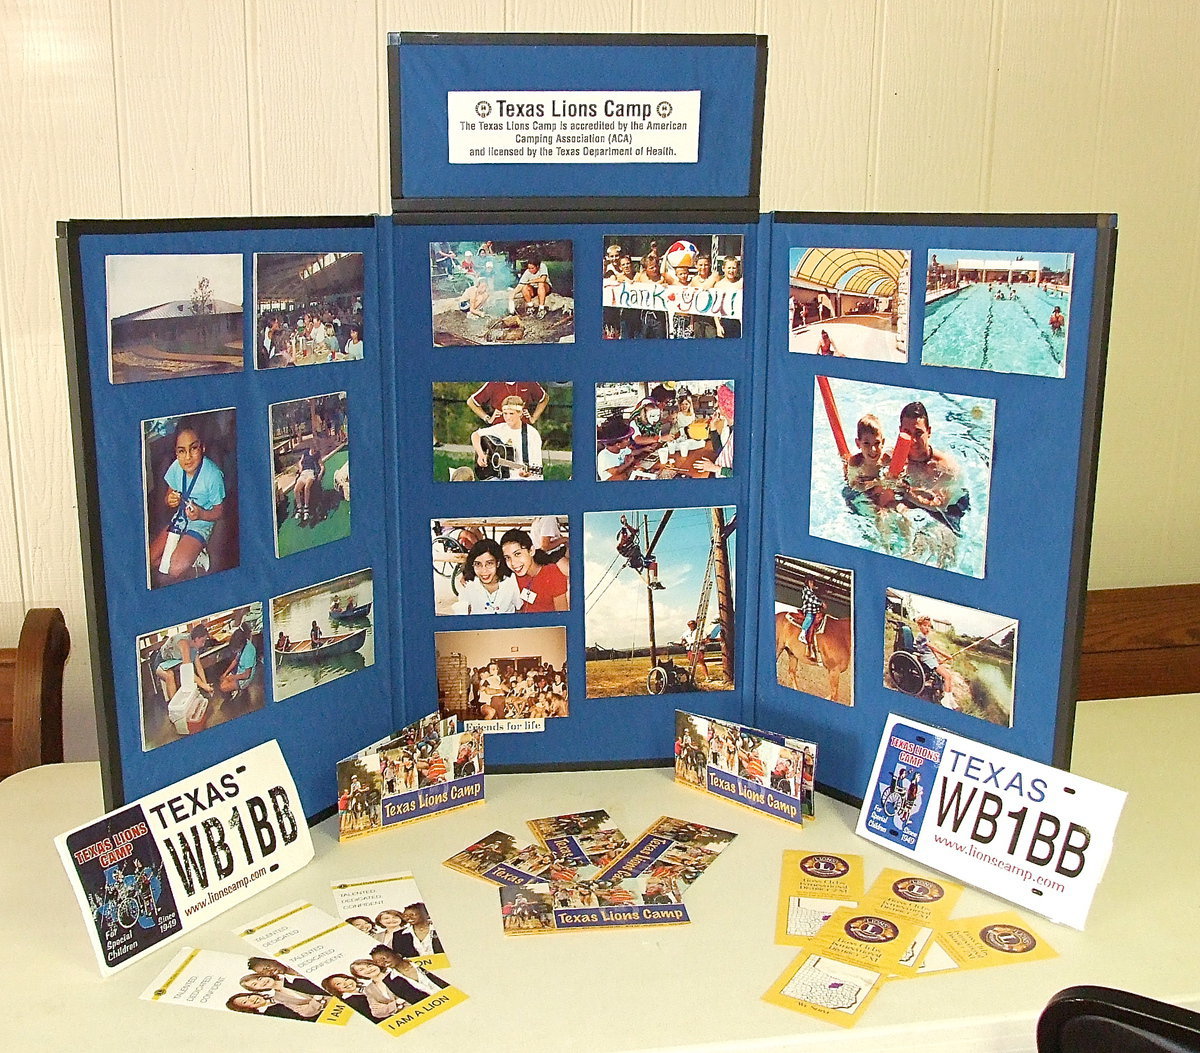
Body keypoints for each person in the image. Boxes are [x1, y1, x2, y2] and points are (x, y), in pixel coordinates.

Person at [148, 418, 227, 584]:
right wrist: (170, 500)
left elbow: (220, 511)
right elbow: (169, 496)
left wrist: (201, 514)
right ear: (176, 453)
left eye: (193, 448)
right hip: (179, 520)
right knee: (149, 560)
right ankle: (185, 553)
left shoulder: (213, 475)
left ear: (202, 447)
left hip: (201, 524)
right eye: (182, 451)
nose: (188, 457)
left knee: (174, 570)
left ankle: (198, 556)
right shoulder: (176, 467)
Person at [885, 401, 970, 534]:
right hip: (913, 507)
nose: (913, 440)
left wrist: (907, 492)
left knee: (933, 536)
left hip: (947, 513)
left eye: (918, 433)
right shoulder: (891, 458)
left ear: (928, 432)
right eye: (907, 432)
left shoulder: (945, 467)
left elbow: (940, 505)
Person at [470, 395, 543, 479]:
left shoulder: (532, 434)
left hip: (521, 479)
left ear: (520, 413)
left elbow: (536, 466)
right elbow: (475, 435)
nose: (508, 417)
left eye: (511, 413)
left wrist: (527, 474)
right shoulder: (501, 428)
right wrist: (481, 454)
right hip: (499, 477)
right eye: (505, 413)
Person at [500, 528, 568, 611]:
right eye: (507, 557)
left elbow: (561, 613)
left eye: (517, 554)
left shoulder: (552, 574)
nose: (513, 563)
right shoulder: (512, 577)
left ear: (531, 551)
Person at [452, 537, 522, 614]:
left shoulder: (511, 582)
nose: (484, 571)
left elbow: (520, 609)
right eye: (478, 564)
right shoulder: (469, 584)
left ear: (497, 563)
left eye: (489, 563)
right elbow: (463, 612)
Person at [152, 622, 215, 700]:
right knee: (169, 675)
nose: (203, 644)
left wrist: (206, 685)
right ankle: (174, 704)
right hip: (161, 661)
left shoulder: (194, 647)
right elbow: (187, 670)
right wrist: (203, 686)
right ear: (196, 638)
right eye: (202, 641)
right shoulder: (183, 642)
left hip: (175, 662)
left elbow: (199, 668)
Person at [913, 615, 959, 709]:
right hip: (926, 658)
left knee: (949, 676)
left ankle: (950, 699)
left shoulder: (926, 636)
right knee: (946, 676)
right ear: (920, 626)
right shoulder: (920, 636)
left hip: (930, 657)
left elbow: (931, 650)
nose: (927, 628)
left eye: (929, 626)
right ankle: (945, 700)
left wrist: (938, 658)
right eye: (925, 625)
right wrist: (946, 655)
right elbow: (933, 648)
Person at [693, 383, 735, 477]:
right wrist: (713, 427)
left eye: (718, 402)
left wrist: (714, 468)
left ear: (726, 405)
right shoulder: (729, 428)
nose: (716, 405)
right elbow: (720, 451)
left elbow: (740, 475)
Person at [844, 414, 890, 493]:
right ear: (858, 444)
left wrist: (875, 483)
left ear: (883, 442)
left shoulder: (886, 460)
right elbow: (852, 484)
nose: (873, 449)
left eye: (877, 443)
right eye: (866, 443)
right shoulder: (855, 462)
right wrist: (861, 485)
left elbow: (894, 481)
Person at [634, 252, 676, 339]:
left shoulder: (664, 277)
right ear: (645, 269)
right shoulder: (640, 277)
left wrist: (668, 287)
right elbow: (631, 287)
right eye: (651, 268)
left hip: (659, 314)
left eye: (656, 266)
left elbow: (678, 285)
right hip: (645, 313)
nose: (655, 269)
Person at [615, 513, 663, 588]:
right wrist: (624, 525)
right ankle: (653, 583)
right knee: (648, 561)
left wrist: (626, 524)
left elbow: (633, 532)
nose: (625, 537)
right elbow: (623, 538)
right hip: (635, 562)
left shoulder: (629, 539)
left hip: (640, 559)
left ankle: (654, 582)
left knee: (653, 561)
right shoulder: (620, 547)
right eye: (624, 536)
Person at [466, 381, 548, 424]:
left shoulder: (528, 382)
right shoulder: (493, 383)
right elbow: (471, 402)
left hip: (522, 427)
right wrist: (487, 418)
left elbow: (544, 399)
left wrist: (533, 418)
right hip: (499, 427)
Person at [787, 576, 826, 664]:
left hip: (814, 610)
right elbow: (811, 600)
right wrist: (821, 603)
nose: (812, 584)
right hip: (809, 610)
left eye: (812, 583)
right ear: (807, 582)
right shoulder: (806, 590)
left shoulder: (811, 591)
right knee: (809, 618)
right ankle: (803, 633)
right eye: (810, 582)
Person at [214, 625, 256, 697]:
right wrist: (225, 674)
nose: (234, 651)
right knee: (222, 680)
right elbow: (235, 661)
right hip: (238, 671)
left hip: (245, 677)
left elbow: (246, 675)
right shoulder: (242, 645)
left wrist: (232, 677)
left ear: (241, 645)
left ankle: (238, 690)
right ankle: (233, 689)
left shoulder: (249, 652)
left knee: (223, 687)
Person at [687, 255, 719, 338]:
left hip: (711, 317)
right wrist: (691, 322)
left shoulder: (714, 277)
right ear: (696, 265)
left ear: (710, 265)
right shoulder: (694, 280)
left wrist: (719, 324)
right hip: (698, 318)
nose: (703, 267)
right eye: (700, 265)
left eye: (706, 265)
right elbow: (692, 301)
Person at [713, 256, 743, 338]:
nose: (731, 271)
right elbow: (715, 308)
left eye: (734, 268)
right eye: (729, 268)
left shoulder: (741, 283)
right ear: (723, 268)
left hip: (738, 321)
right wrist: (718, 326)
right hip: (724, 321)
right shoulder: (719, 285)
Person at [292, 444, 321, 525]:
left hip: (311, 473)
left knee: (307, 487)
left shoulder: (317, 455)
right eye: (313, 447)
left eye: (315, 448)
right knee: (296, 490)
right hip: (304, 473)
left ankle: (306, 508)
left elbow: (321, 465)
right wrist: (300, 468)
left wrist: (320, 474)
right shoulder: (305, 452)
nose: (314, 449)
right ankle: (299, 508)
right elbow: (300, 462)